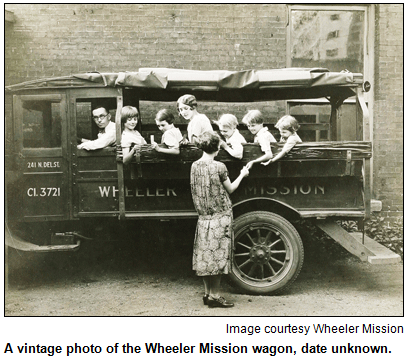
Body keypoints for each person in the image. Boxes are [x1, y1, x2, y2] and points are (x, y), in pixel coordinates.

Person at [190, 131, 249, 308]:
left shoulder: (194, 166)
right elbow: (230, 189)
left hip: (203, 218)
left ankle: (207, 294)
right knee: (218, 257)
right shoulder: (219, 167)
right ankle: (215, 296)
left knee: (205, 256)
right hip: (220, 217)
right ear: (217, 147)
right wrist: (243, 174)